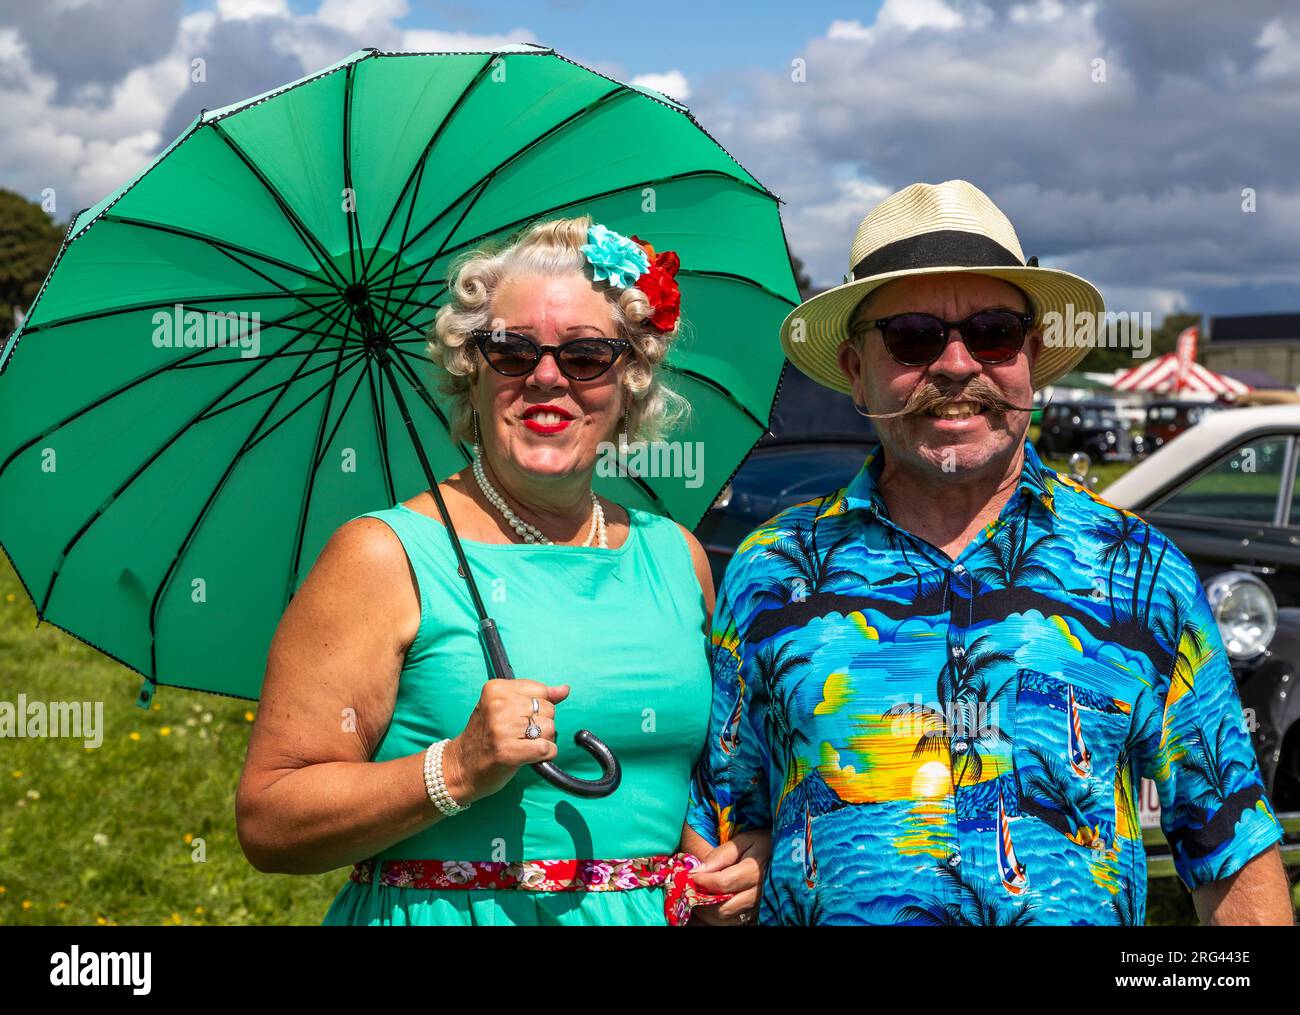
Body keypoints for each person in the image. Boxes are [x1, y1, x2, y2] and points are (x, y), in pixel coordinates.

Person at [683, 180, 1292, 925]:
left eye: (993, 331)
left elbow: (1228, 848)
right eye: (912, 336)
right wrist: (724, 887)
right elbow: (719, 835)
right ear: (853, 368)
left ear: (1031, 354)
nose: (957, 364)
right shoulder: (771, 573)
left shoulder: (1141, 572)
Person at [235, 216, 763, 925]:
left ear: (629, 380)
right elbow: (270, 821)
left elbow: (678, 791)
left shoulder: (676, 555)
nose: (546, 377)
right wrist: (454, 767)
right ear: (471, 373)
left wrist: (718, 867)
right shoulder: (384, 554)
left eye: (585, 354)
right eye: (511, 351)